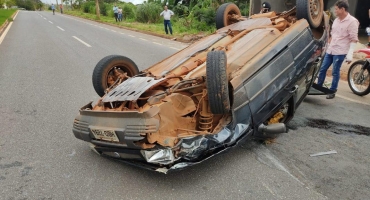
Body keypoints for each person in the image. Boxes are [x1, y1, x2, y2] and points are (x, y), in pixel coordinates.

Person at [317, 0, 359, 99]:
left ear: (342, 9)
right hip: (331, 49)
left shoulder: (352, 22)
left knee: (335, 72)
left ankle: (332, 90)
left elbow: (354, 39)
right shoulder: (336, 20)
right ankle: (318, 87)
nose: (334, 11)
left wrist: (350, 54)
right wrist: (327, 45)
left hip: (340, 51)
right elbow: (333, 35)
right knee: (322, 69)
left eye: (336, 9)